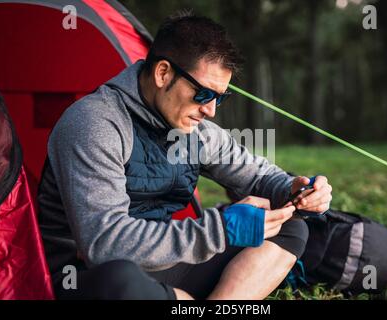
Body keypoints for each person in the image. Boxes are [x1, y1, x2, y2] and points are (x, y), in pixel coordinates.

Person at [38, 11, 332, 300]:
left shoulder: (198, 131)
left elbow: (259, 176)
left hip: (161, 263)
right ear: (163, 73)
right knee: (119, 280)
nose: (211, 110)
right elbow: (105, 245)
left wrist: (297, 190)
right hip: (88, 274)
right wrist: (220, 229)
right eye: (204, 94)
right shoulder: (96, 123)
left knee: (290, 227)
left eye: (221, 97)